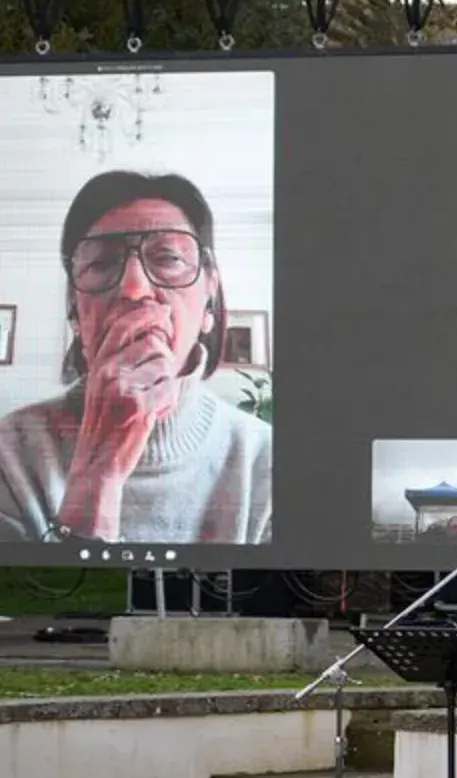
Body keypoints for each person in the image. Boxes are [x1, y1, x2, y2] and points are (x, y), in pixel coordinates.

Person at [0, 170, 271, 545]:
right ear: (75, 312)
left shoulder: (268, 462)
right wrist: (98, 479)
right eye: (100, 263)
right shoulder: (9, 451)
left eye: (168, 257)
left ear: (210, 296)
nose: (133, 288)